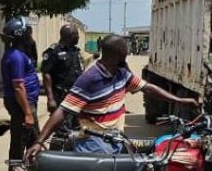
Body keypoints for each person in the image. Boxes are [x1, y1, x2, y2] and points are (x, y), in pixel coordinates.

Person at [26, 35, 198, 157]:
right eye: (125, 50)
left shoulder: (121, 73)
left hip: (115, 139)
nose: (127, 53)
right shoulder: (90, 78)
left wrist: (179, 100)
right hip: (94, 144)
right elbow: (63, 110)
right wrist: (39, 142)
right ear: (119, 54)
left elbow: (148, 88)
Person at [0, 16, 42, 171]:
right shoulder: (16, 57)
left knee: (34, 141)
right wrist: (28, 113)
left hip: (25, 104)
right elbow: (18, 87)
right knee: (19, 142)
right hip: (22, 105)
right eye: (29, 32)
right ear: (22, 35)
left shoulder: (19, 53)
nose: (31, 35)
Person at [41, 23, 84, 113]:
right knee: (59, 120)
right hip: (60, 96)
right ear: (67, 36)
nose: (78, 37)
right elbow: (46, 74)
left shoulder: (75, 51)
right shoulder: (53, 51)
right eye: (75, 34)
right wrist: (50, 98)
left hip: (75, 95)